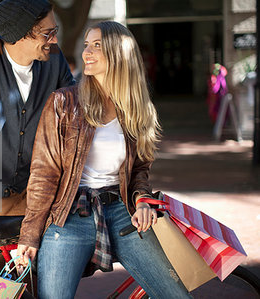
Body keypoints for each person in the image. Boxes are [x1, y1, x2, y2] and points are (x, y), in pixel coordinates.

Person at [16, 21, 192, 298]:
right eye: (86, 45)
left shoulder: (136, 107)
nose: (87, 52)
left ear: (119, 53)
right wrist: (30, 234)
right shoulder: (64, 102)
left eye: (97, 46)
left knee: (177, 295)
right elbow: (43, 173)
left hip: (123, 212)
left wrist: (142, 201)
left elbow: (140, 170)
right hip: (70, 216)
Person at [0, 0, 75, 274]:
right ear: (23, 32)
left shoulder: (53, 59)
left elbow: (76, 108)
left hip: (34, 188)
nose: (53, 39)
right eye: (47, 32)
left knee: (39, 275)